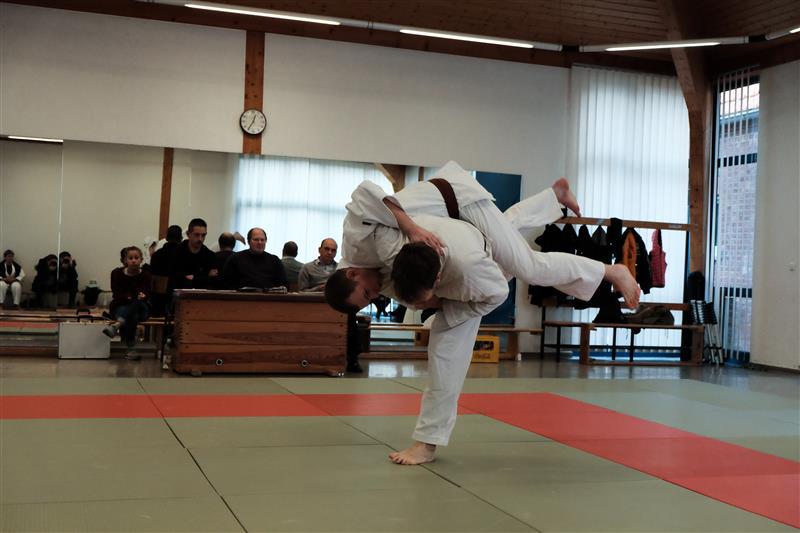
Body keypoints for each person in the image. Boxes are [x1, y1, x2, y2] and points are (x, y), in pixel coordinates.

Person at [326, 162, 640, 465]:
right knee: (504, 236)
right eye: (369, 299)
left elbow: (365, 192)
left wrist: (411, 227)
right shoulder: (381, 267)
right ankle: (553, 197)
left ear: (352, 273)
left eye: (367, 293)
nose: (374, 294)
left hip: (459, 201)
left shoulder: (359, 242)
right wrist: (435, 305)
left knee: (527, 265)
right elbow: (414, 295)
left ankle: (609, 271)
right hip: (454, 229)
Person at [103, 246, 151, 360]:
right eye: (130, 258)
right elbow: (117, 294)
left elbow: (147, 292)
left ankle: (118, 324)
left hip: (141, 307)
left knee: (136, 304)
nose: (134, 260)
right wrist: (131, 297)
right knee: (132, 315)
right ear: (125, 260)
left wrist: (142, 296)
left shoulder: (145, 274)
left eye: (136, 258)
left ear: (141, 260)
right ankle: (131, 349)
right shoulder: (116, 273)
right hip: (121, 306)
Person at [223, 227, 288, 290]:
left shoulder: (274, 260)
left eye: (262, 240)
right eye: (256, 240)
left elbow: (284, 285)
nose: (260, 242)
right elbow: (225, 283)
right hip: (241, 296)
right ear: (248, 242)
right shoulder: (235, 259)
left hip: (268, 296)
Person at [172, 218, 218, 290]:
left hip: (202, 295)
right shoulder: (176, 252)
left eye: (203, 235)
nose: (200, 239)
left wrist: (193, 278)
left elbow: (213, 281)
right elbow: (176, 279)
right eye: (196, 235)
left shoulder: (210, 255)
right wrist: (204, 277)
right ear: (188, 234)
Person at [150, 225, 182, 315]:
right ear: (181, 238)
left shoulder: (156, 255)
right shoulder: (183, 254)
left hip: (158, 300)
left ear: (166, 238)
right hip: (177, 299)